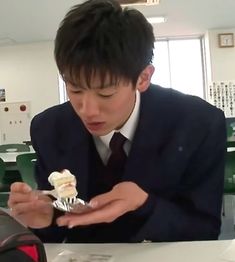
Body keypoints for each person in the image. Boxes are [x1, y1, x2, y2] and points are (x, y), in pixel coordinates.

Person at [8, 0, 226, 243]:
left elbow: (204, 229)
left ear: (143, 78)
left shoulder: (197, 124)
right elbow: (62, 225)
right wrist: (44, 219)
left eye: (106, 94)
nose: (87, 111)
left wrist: (144, 204)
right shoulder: (49, 128)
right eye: (75, 89)